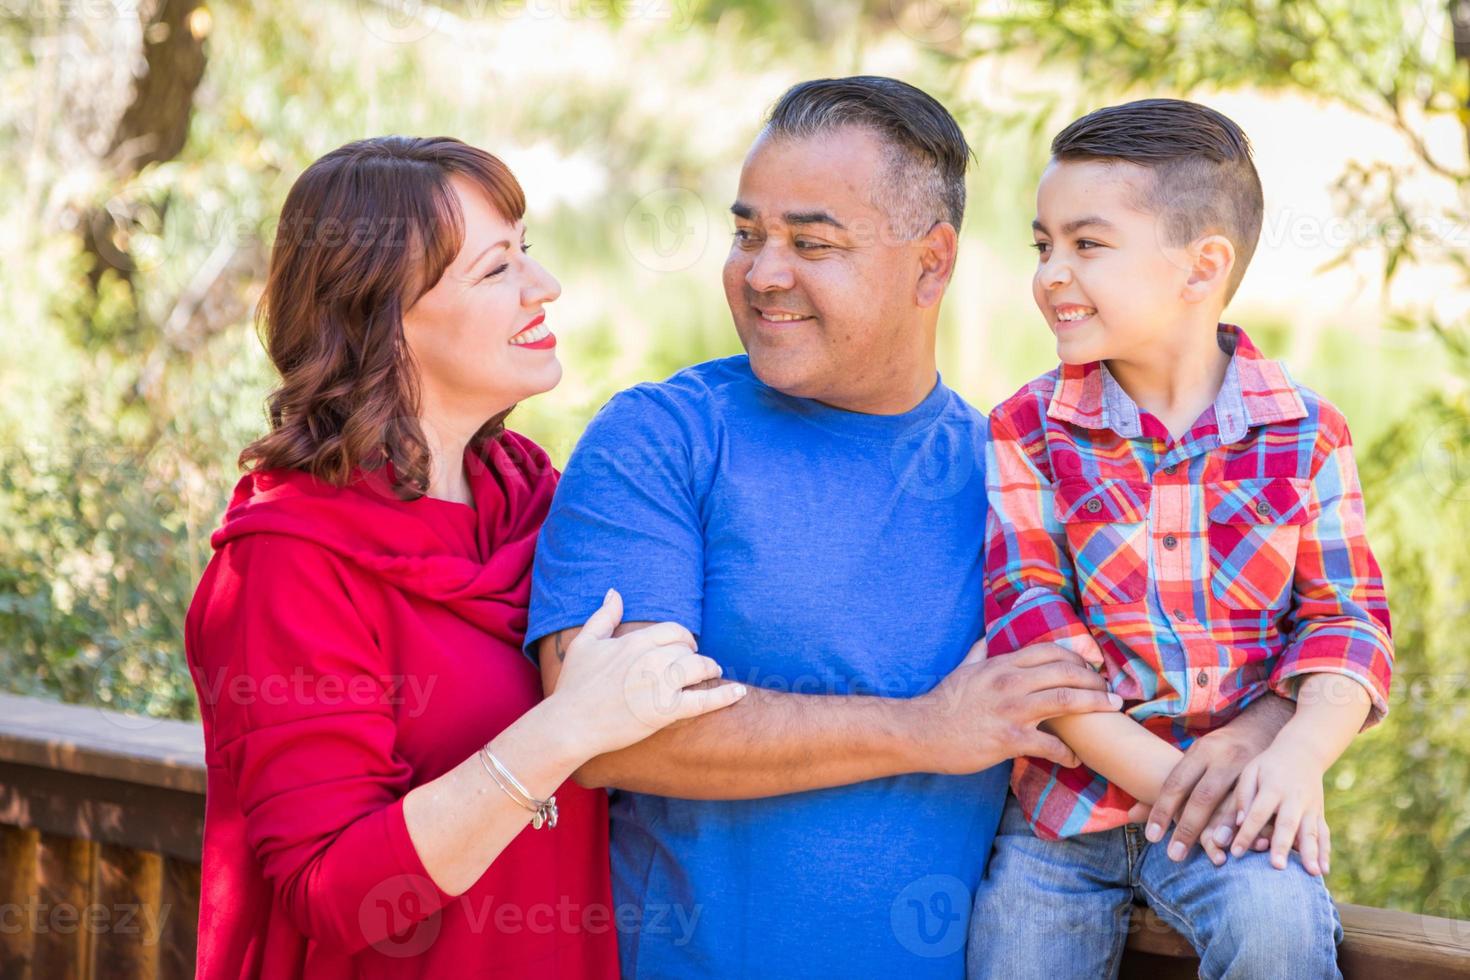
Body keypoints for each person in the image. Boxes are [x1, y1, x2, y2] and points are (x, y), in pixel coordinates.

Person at [527, 77, 1296, 978]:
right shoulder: (661, 437)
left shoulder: (1025, 474)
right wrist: (928, 727)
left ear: (933, 263)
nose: (763, 272)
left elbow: (1223, 658)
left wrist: (1267, 734)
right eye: (747, 235)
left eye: (812, 241)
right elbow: (608, 731)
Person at [184, 135, 746, 980]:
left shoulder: (540, 501)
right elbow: (331, 894)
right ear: (380, 319)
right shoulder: (288, 563)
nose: (544, 288)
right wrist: (565, 730)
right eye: (496, 271)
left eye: (530, 254)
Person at [968, 99, 1395, 980]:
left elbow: (1346, 626)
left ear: (1201, 269)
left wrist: (1297, 762)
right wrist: (1193, 794)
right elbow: (1040, 647)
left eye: (1087, 245)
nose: (1052, 273)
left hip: (1245, 804)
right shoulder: (1029, 429)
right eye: (1042, 245)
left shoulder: (1307, 434)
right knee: (1012, 956)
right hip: (1064, 814)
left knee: (1275, 932)